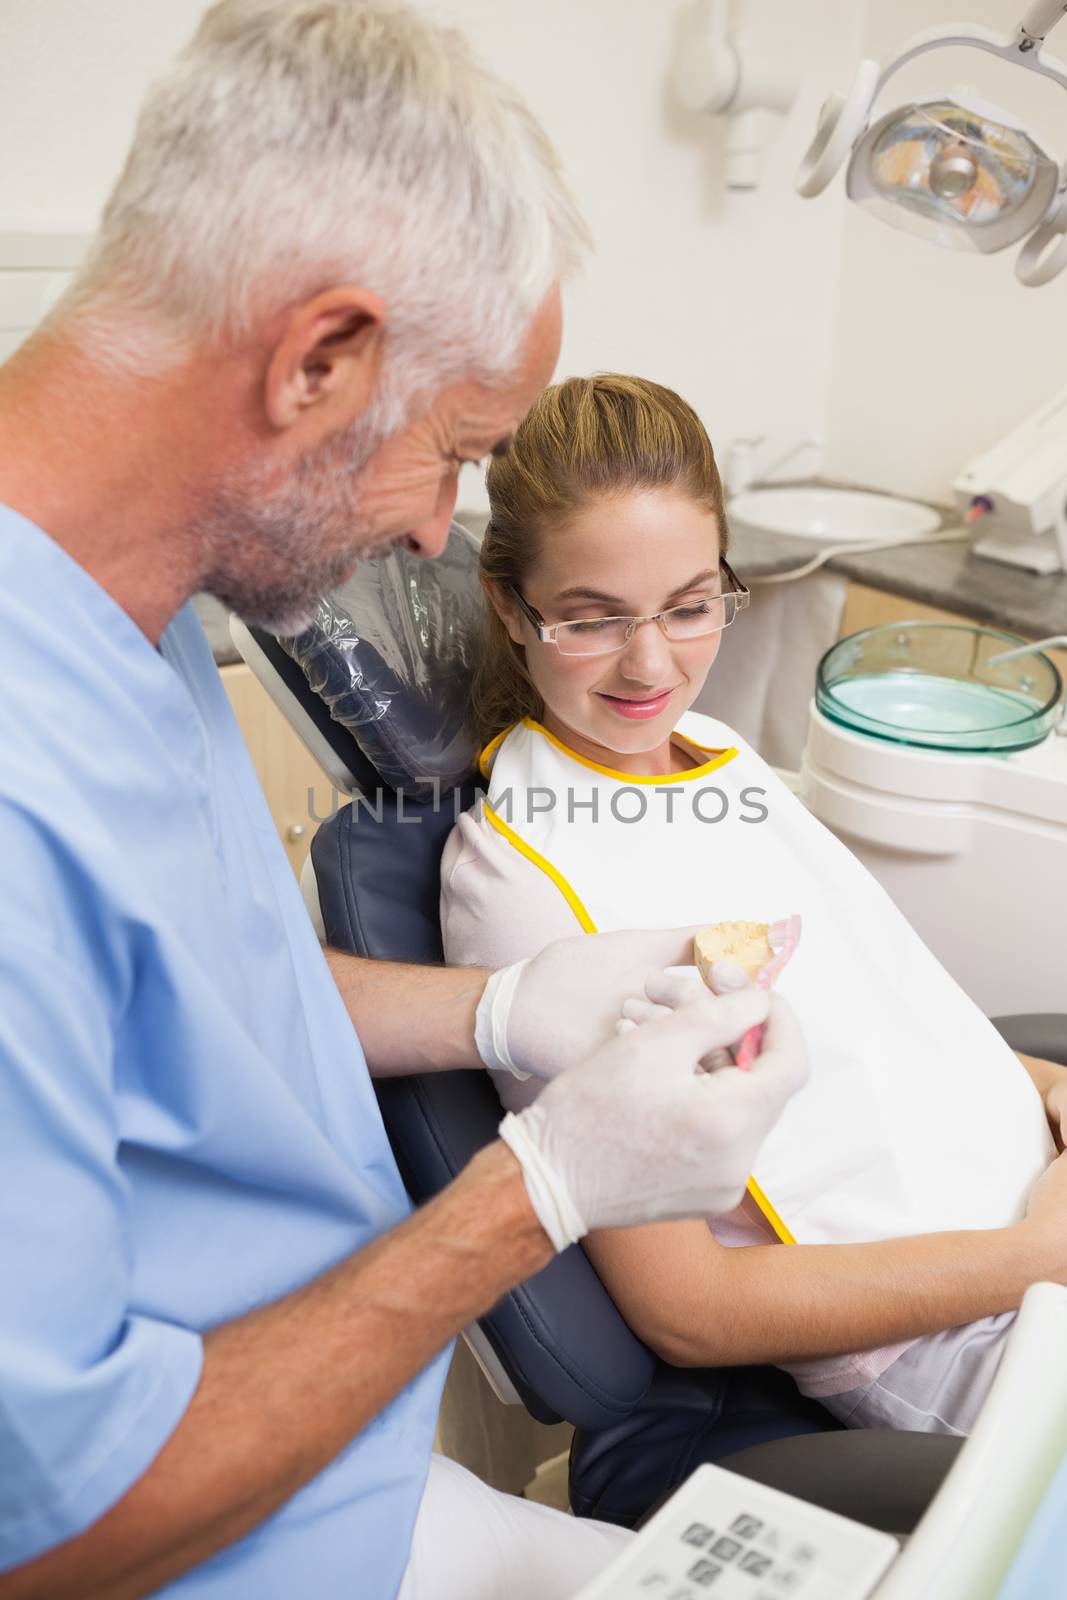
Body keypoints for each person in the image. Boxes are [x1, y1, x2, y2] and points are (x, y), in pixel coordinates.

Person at [0, 8, 811, 1600]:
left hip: (347, 1493)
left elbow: (164, 1007)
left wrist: (503, 1008)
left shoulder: (125, 605)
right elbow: (57, 1530)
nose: (440, 531)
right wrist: (543, 1188)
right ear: (318, 359)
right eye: (453, 454)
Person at [441, 370, 1067, 1440]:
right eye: (591, 620)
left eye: (689, 606)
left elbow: (860, 1001)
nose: (651, 664)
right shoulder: (521, 880)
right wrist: (1031, 1260)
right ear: (511, 606)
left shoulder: (714, 755)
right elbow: (684, 1307)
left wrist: (1034, 1082)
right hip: (972, 1342)